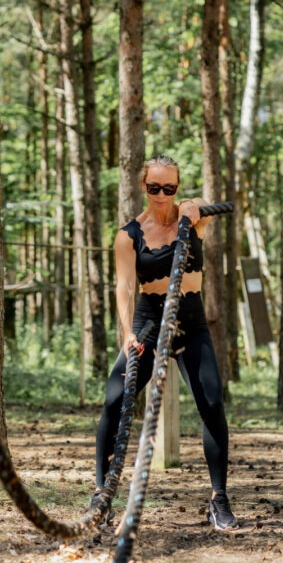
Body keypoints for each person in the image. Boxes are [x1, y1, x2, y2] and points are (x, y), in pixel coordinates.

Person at [92, 155, 238, 530]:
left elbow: (202, 207)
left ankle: (218, 499)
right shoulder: (129, 235)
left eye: (169, 188)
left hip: (189, 320)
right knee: (114, 399)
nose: (161, 195)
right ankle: (101, 495)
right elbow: (124, 287)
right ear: (144, 186)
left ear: (176, 187)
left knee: (212, 402)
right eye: (154, 187)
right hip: (148, 321)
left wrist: (191, 206)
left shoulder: (191, 219)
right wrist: (128, 333)